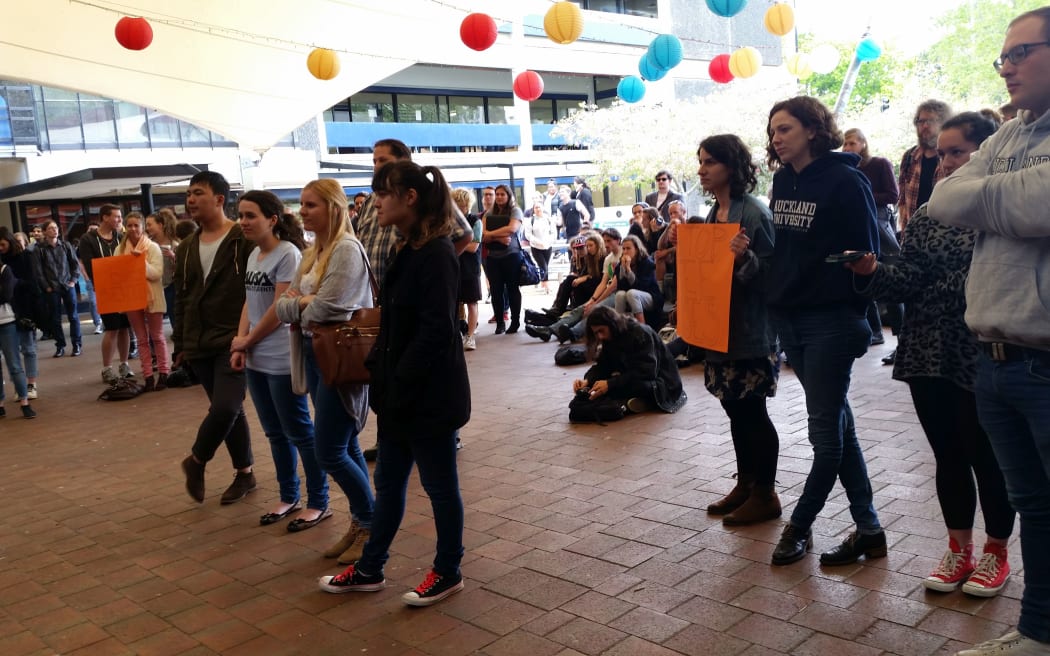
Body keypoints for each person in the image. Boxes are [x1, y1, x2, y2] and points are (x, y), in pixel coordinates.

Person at [848, 112, 1015, 599]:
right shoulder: (928, 213)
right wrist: (871, 268)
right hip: (926, 350)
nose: (943, 163)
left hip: (979, 350)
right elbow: (909, 277)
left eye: (956, 151)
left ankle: (996, 553)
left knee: (987, 457)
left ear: (986, 152)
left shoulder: (1003, 208)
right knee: (948, 455)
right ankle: (958, 549)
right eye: (941, 153)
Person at [927, 8, 1050, 653]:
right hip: (994, 356)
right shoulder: (1008, 136)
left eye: (1021, 52)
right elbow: (944, 200)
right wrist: (1002, 194)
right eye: (1002, 57)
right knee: (1035, 507)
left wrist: (989, 195)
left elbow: (1040, 204)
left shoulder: (1001, 147)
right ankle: (1038, 633)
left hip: (1044, 360)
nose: (1005, 67)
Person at [318, 159, 470, 607]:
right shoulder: (410, 248)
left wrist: (398, 379)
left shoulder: (437, 254)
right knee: (388, 482)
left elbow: (435, 330)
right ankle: (370, 568)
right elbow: (396, 325)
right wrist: (380, 368)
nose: (375, 202)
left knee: (440, 487)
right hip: (400, 394)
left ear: (410, 198)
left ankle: (448, 570)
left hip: (427, 396)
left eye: (383, 193)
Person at [763, 96, 883, 567]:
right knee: (839, 428)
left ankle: (799, 526)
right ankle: (870, 530)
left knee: (826, 439)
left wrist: (849, 310)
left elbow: (867, 256)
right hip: (790, 318)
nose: (776, 138)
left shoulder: (846, 181)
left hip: (830, 322)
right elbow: (788, 250)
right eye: (773, 130)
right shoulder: (781, 179)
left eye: (785, 129)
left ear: (813, 129)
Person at [275, 179, 375, 563]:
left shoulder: (346, 249)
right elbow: (284, 305)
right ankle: (362, 523)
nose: (303, 211)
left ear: (333, 208)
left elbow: (329, 309)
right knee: (344, 445)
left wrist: (303, 303)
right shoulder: (312, 250)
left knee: (329, 450)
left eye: (311, 205)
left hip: (339, 355)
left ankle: (371, 521)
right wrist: (304, 302)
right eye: (301, 204)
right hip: (316, 354)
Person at [695, 134, 782, 526]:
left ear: (731, 166)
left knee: (752, 412)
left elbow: (772, 281)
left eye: (710, 161)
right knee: (734, 410)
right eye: (701, 161)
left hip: (749, 333)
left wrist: (745, 257)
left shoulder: (754, 214)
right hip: (720, 330)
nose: (702, 169)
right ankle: (746, 483)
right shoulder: (715, 214)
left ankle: (766, 492)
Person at [233, 190, 330, 531]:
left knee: (299, 430)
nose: (243, 222)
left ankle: (319, 501)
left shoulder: (289, 254)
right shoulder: (253, 255)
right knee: (275, 433)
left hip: (280, 356)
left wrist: (248, 339)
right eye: (241, 215)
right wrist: (240, 343)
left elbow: (280, 309)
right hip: (257, 356)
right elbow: (250, 301)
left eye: (250, 216)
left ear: (272, 219)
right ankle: (289, 496)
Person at [175, 171, 256, 506]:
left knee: (225, 406)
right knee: (229, 410)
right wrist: (180, 343)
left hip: (233, 339)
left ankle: (196, 461)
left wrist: (248, 335)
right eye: (189, 194)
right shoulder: (187, 247)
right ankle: (245, 473)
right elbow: (182, 297)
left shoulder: (242, 238)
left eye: (198, 193)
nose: (191, 199)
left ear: (220, 199)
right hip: (198, 342)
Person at [842, 127, 903, 356]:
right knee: (863, 277)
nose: (848, 148)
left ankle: (901, 336)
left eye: (852, 143)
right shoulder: (846, 168)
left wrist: (862, 194)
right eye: (845, 144)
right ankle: (874, 330)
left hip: (879, 223)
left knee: (891, 277)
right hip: (856, 224)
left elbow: (892, 195)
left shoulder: (879, 164)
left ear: (863, 144)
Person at [571, 305, 685, 415]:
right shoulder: (611, 336)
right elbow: (603, 365)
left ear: (611, 324)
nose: (600, 337)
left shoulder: (639, 333)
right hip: (639, 378)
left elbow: (647, 372)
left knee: (613, 388)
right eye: (596, 333)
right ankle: (634, 402)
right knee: (598, 388)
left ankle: (641, 402)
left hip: (663, 383)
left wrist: (610, 384)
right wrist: (588, 380)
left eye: (601, 331)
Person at [113, 212, 170, 391]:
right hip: (131, 297)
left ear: (142, 226)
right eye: (129, 225)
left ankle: (163, 373)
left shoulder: (152, 247)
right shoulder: (120, 249)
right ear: (125, 228)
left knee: (158, 336)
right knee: (141, 339)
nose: (133, 229)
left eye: (136, 225)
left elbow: (157, 273)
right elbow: (117, 275)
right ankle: (147, 377)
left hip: (153, 297)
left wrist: (139, 262)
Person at [80, 205, 132, 383]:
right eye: (116, 217)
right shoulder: (88, 239)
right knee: (112, 328)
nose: (120, 220)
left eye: (120, 217)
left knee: (125, 327)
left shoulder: (122, 237)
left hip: (124, 288)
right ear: (104, 217)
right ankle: (107, 368)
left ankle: (124, 364)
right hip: (105, 289)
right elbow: (91, 265)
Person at [0, 227, 42, 401]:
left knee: (28, 348)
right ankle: (21, 386)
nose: (0, 248)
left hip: (24, 308)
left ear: (9, 241)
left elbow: (33, 283)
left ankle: (31, 383)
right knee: (13, 352)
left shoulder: (25, 257)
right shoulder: (1, 261)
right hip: (8, 311)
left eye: (2, 244)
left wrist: (13, 282)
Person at [899, 99, 952, 233]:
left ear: (944, 123)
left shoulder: (953, 157)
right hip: (914, 236)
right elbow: (902, 202)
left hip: (943, 235)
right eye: (921, 121)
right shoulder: (909, 157)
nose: (925, 126)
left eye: (931, 121)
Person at [34, 220, 81, 358]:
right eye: (51, 228)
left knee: (73, 316)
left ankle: (77, 344)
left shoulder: (65, 245)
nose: (55, 230)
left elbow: (75, 264)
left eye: (56, 228)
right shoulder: (40, 249)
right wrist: (46, 287)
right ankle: (60, 345)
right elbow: (38, 271)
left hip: (68, 285)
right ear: (44, 232)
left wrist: (73, 280)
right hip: (52, 288)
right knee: (55, 318)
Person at [482, 184, 524, 334]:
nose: (499, 197)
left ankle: (515, 321)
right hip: (493, 257)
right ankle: (500, 323)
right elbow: (483, 235)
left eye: (502, 194)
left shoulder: (515, 210)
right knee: (496, 291)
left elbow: (512, 228)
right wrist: (499, 239)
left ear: (508, 196)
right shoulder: (489, 213)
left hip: (512, 256)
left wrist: (491, 235)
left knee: (513, 289)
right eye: (497, 194)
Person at [0, 258, 36, 418]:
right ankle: (0, 404)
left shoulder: (5, 270)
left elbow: (6, 295)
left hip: (6, 321)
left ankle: (24, 402)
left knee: (14, 364)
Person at [451, 188, 481, 351]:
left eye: (461, 205)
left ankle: (470, 336)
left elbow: (473, 247)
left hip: (470, 268)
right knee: (453, 302)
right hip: (453, 268)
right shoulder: (448, 221)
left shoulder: (475, 221)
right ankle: (456, 334)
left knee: (471, 302)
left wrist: (451, 248)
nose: (459, 208)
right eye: (456, 204)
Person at [614, 234, 662, 325]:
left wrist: (628, 271)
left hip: (650, 296)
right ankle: (620, 327)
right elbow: (620, 287)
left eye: (628, 248)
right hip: (631, 295)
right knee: (619, 295)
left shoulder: (647, 263)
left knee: (632, 293)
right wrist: (623, 269)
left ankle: (642, 328)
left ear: (636, 249)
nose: (625, 252)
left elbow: (642, 287)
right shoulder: (621, 264)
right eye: (623, 249)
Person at [146, 208, 179, 329]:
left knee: (175, 318)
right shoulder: (146, 244)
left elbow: (183, 268)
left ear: (160, 225)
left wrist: (174, 257)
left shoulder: (175, 245)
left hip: (171, 286)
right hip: (153, 288)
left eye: (150, 225)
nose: (147, 228)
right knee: (153, 326)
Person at [525, 198, 556, 295]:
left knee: (546, 265)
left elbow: (554, 233)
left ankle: (543, 282)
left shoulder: (548, 219)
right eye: (536, 207)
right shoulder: (531, 220)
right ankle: (546, 285)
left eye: (539, 207)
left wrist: (548, 241)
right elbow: (528, 235)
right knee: (543, 266)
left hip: (548, 246)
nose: (538, 209)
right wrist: (538, 242)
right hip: (536, 247)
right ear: (533, 209)